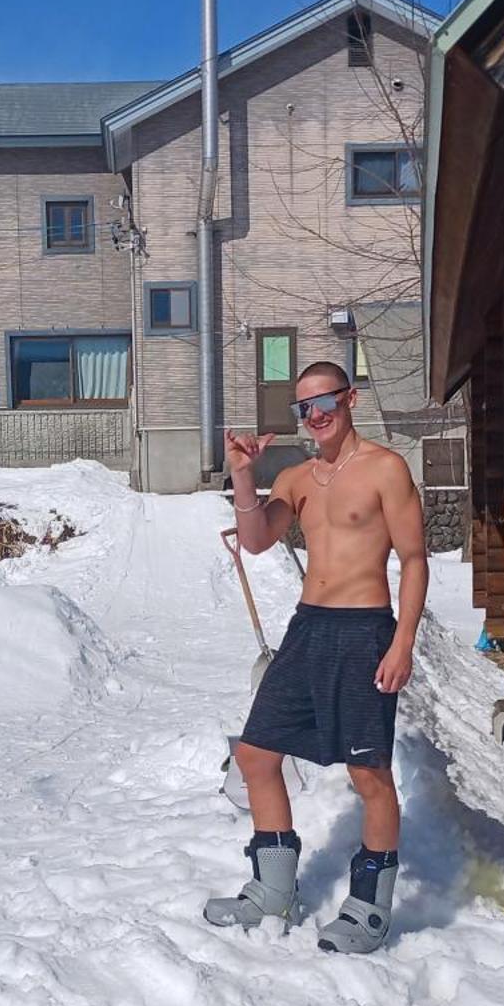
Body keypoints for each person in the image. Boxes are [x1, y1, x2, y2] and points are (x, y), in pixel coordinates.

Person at [208, 360, 428, 954]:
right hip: (309, 629)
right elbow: (256, 540)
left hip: (364, 632)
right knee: (256, 755)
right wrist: (244, 473)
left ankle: (369, 906)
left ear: (350, 397)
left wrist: (402, 641)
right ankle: (273, 890)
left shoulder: (386, 469)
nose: (316, 415)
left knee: (369, 773)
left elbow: (413, 560)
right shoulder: (299, 478)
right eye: (304, 408)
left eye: (325, 401)